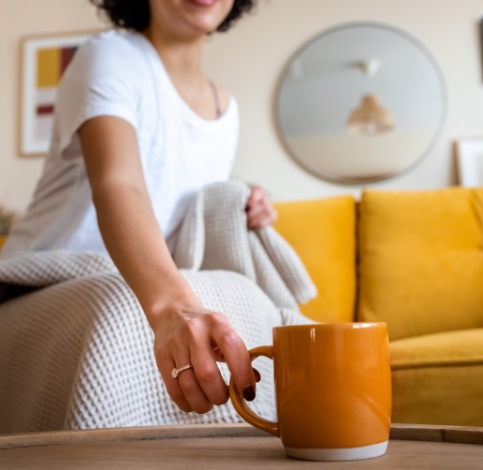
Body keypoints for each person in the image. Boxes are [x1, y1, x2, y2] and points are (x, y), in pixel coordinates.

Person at [3, 0, 278, 415]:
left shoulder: (228, 109)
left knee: (249, 298)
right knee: (120, 307)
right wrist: (170, 307)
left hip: (132, 279)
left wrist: (241, 205)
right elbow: (120, 182)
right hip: (38, 280)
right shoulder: (111, 55)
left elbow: (184, 219)